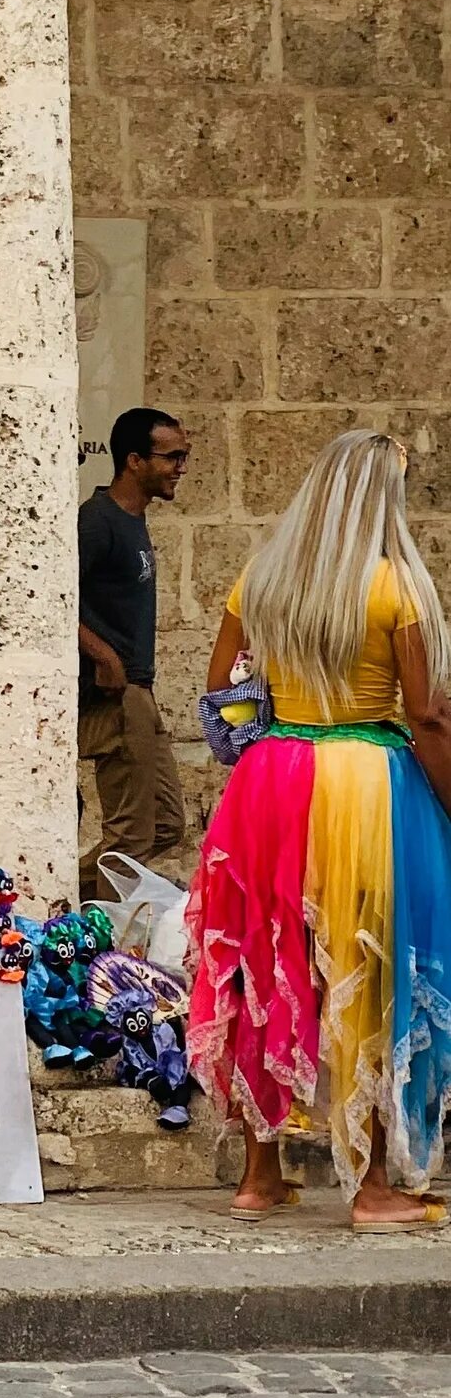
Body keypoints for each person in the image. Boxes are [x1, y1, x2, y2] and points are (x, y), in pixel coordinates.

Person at [188, 429, 451, 1229]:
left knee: (268, 959)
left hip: (270, 779)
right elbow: (428, 711)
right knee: (373, 965)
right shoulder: (396, 586)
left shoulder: (261, 580)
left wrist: (266, 745)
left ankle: (257, 1178)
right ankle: (374, 1187)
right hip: (369, 781)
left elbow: (220, 692)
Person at [79, 406, 192, 900]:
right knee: (129, 837)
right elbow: (47, 598)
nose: (181, 467)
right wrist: (103, 655)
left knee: (166, 826)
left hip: (139, 694)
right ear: (134, 461)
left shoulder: (133, 520)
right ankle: (93, 941)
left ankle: (58, 893)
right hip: (116, 699)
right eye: (172, 457)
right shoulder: (97, 521)